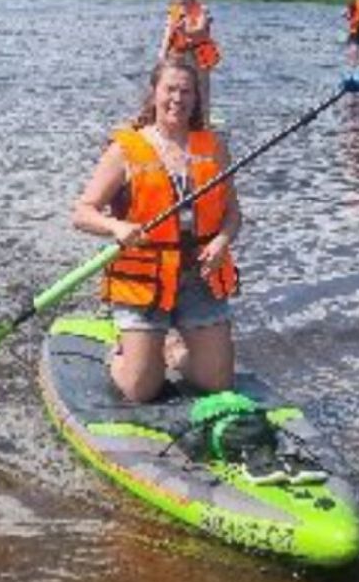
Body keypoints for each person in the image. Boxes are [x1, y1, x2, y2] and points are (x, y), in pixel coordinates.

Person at [72, 55, 240, 405]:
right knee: (139, 390)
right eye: (170, 90)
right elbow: (82, 213)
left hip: (200, 277)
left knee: (217, 384)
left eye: (186, 91)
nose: (177, 99)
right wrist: (116, 226)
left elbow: (234, 216)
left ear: (197, 98)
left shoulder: (214, 147)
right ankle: (124, 350)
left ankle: (173, 350)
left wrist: (222, 241)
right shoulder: (125, 149)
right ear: (154, 93)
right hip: (143, 282)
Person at [161, 0, 221, 118]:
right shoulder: (174, 11)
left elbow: (200, 30)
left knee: (202, 90)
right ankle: (177, 117)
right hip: (179, 53)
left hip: (198, 54)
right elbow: (168, 33)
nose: (181, 1)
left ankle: (204, 122)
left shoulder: (202, 11)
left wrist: (185, 31)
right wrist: (162, 53)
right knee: (176, 85)